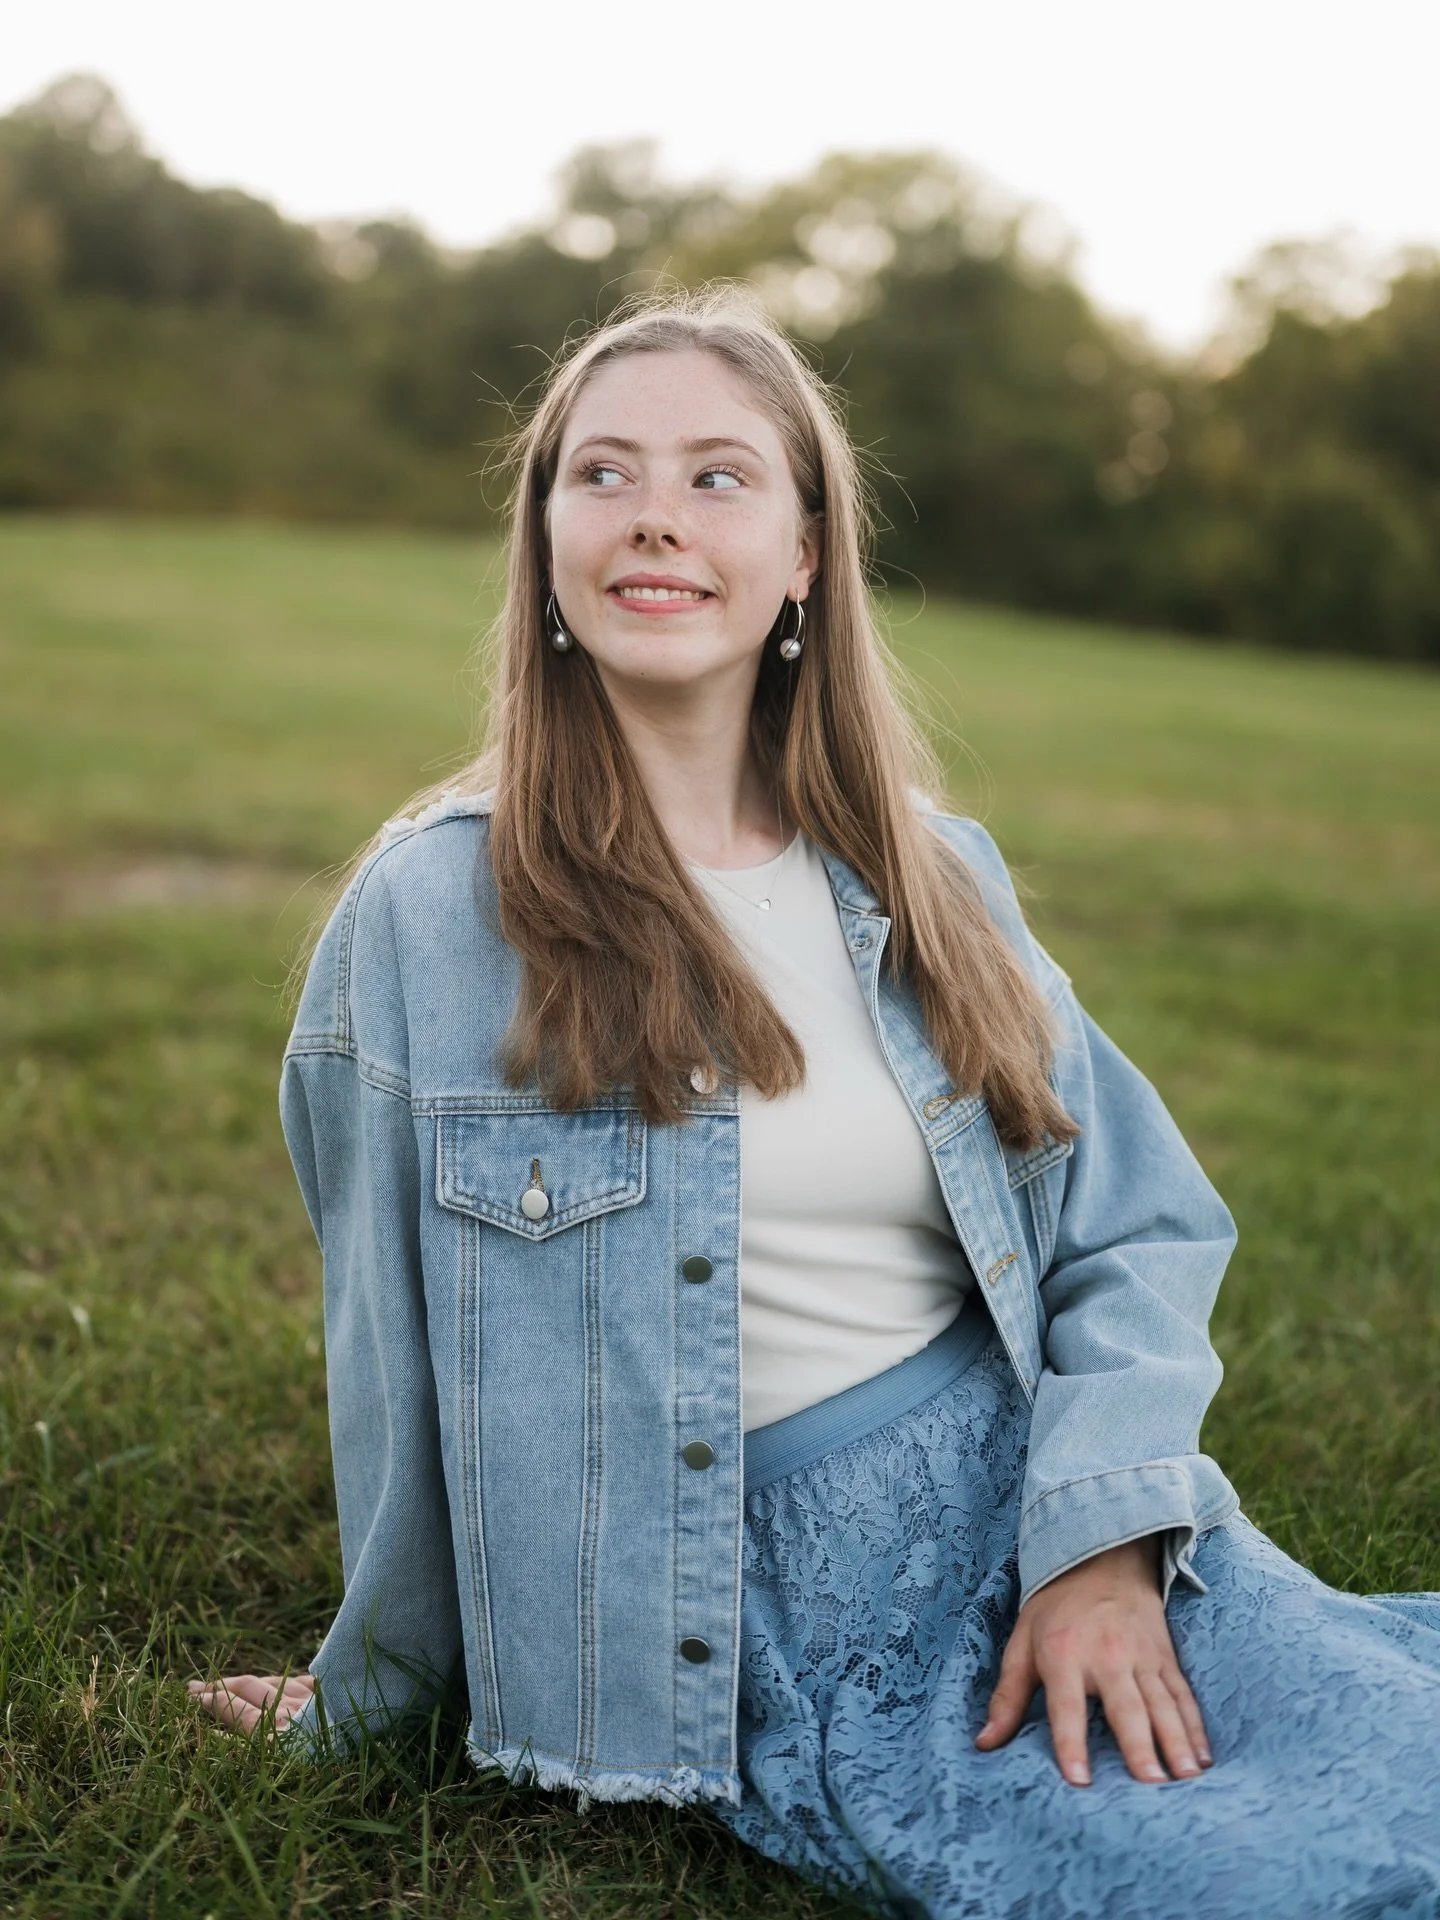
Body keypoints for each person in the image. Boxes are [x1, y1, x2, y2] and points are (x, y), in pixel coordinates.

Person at [191, 292, 1440, 1917]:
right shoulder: (426, 919)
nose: (654, 511)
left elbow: (1134, 1224)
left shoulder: (932, 877)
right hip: (771, 1600)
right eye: (604, 474)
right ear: (548, 544)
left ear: (802, 558)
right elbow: (397, 1358)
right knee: (1239, 1878)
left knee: (1390, 1757)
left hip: (1044, 1488)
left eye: (719, 476)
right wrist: (373, 1687)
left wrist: (1105, 1541)